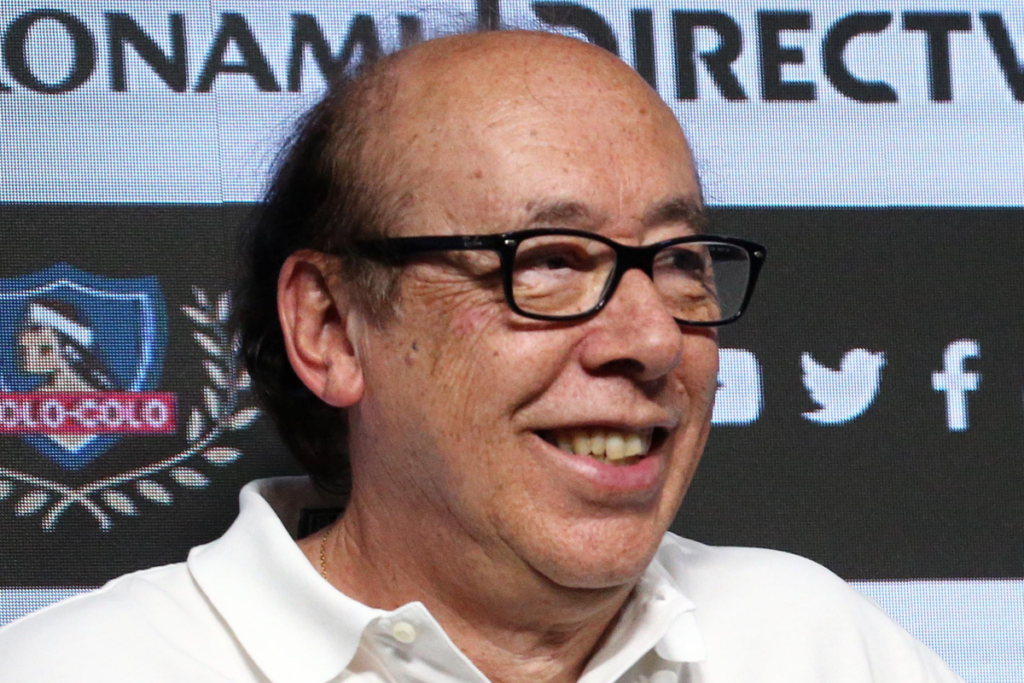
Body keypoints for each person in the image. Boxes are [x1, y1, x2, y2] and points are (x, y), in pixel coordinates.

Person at [0, 30, 963, 683]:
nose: (654, 338)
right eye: (545, 262)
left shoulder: (815, 644)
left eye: (676, 262)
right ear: (331, 329)